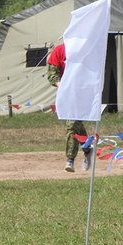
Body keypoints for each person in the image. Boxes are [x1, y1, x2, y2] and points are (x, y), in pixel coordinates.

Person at [46, 42, 91, 172]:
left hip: (83, 92)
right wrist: (61, 85)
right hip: (66, 94)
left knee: (71, 125)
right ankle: (88, 150)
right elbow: (52, 75)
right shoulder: (60, 50)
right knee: (76, 125)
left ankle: (70, 160)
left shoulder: (86, 50)